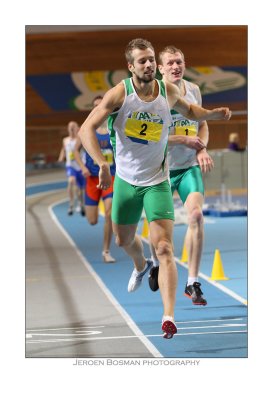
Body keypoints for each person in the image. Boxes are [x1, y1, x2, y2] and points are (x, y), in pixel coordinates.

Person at [79, 38, 231, 339]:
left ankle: (169, 316)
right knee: (124, 239)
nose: (148, 65)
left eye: (151, 59)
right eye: (142, 61)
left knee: (164, 248)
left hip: (157, 181)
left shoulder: (167, 91)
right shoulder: (119, 94)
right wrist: (102, 164)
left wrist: (213, 115)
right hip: (125, 180)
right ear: (131, 66)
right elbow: (86, 129)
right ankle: (140, 263)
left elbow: (191, 112)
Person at [148, 45, 214, 306]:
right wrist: (182, 141)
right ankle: (155, 262)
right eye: (170, 63)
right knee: (160, 235)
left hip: (188, 167)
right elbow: (149, 137)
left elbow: (202, 123)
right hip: (159, 170)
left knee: (196, 215)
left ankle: (192, 282)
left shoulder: (194, 90)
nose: (176, 67)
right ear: (160, 68)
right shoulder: (153, 95)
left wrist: (201, 149)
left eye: (180, 62)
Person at [74, 95, 116, 263]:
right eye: (95, 106)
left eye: (102, 105)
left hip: (111, 176)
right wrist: (83, 167)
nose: (99, 108)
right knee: (92, 221)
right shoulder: (87, 128)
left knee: (109, 213)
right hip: (92, 179)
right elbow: (76, 150)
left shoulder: (114, 127)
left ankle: (106, 250)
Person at [58, 121, 85, 216]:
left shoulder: (80, 139)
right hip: (70, 165)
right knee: (71, 181)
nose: (72, 128)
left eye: (73, 126)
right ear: (68, 128)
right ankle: (71, 204)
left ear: (77, 128)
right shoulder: (65, 140)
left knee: (80, 190)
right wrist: (61, 156)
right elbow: (63, 149)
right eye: (70, 126)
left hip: (80, 166)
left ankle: (81, 203)